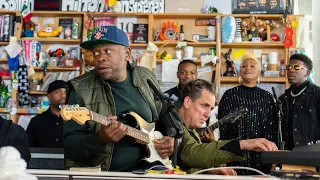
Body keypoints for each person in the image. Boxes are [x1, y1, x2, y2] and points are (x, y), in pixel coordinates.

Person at [64, 26, 174, 171]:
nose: (100, 58)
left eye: (107, 51)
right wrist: (99, 139)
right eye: (95, 52)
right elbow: (69, 147)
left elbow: (162, 115)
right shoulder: (80, 89)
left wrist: (168, 140)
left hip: (150, 170)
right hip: (102, 175)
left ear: (127, 54)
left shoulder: (146, 76)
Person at [178, 79, 278, 175]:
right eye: (204, 105)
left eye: (211, 108)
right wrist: (243, 144)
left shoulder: (190, 130)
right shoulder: (171, 125)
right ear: (187, 102)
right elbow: (188, 154)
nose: (208, 114)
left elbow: (188, 163)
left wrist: (209, 171)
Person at [218, 53, 278, 174]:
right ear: (239, 70)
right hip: (234, 154)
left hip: (262, 156)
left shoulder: (267, 97)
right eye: (244, 66)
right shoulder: (229, 95)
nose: (248, 68)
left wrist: (274, 157)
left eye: (252, 65)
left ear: (259, 71)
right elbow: (223, 129)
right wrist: (221, 156)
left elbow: (272, 130)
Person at [279, 54, 320, 150]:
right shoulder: (283, 99)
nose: (291, 70)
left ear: (307, 73)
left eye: (296, 67)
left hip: (312, 154)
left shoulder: (317, 95)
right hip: (287, 154)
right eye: (289, 67)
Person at [26, 80, 67, 148]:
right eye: (57, 92)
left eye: (66, 92)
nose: (63, 96)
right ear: (48, 96)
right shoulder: (36, 122)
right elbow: (27, 149)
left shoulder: (75, 122)